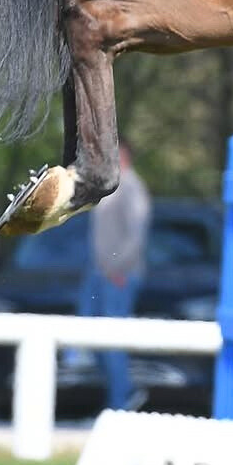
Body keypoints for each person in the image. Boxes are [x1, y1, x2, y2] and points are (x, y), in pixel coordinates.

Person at [77, 139, 151, 411]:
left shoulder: (132, 187)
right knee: (93, 340)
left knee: (112, 342)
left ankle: (122, 402)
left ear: (124, 156)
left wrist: (117, 269)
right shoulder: (109, 187)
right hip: (98, 274)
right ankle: (123, 394)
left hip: (118, 277)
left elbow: (136, 236)